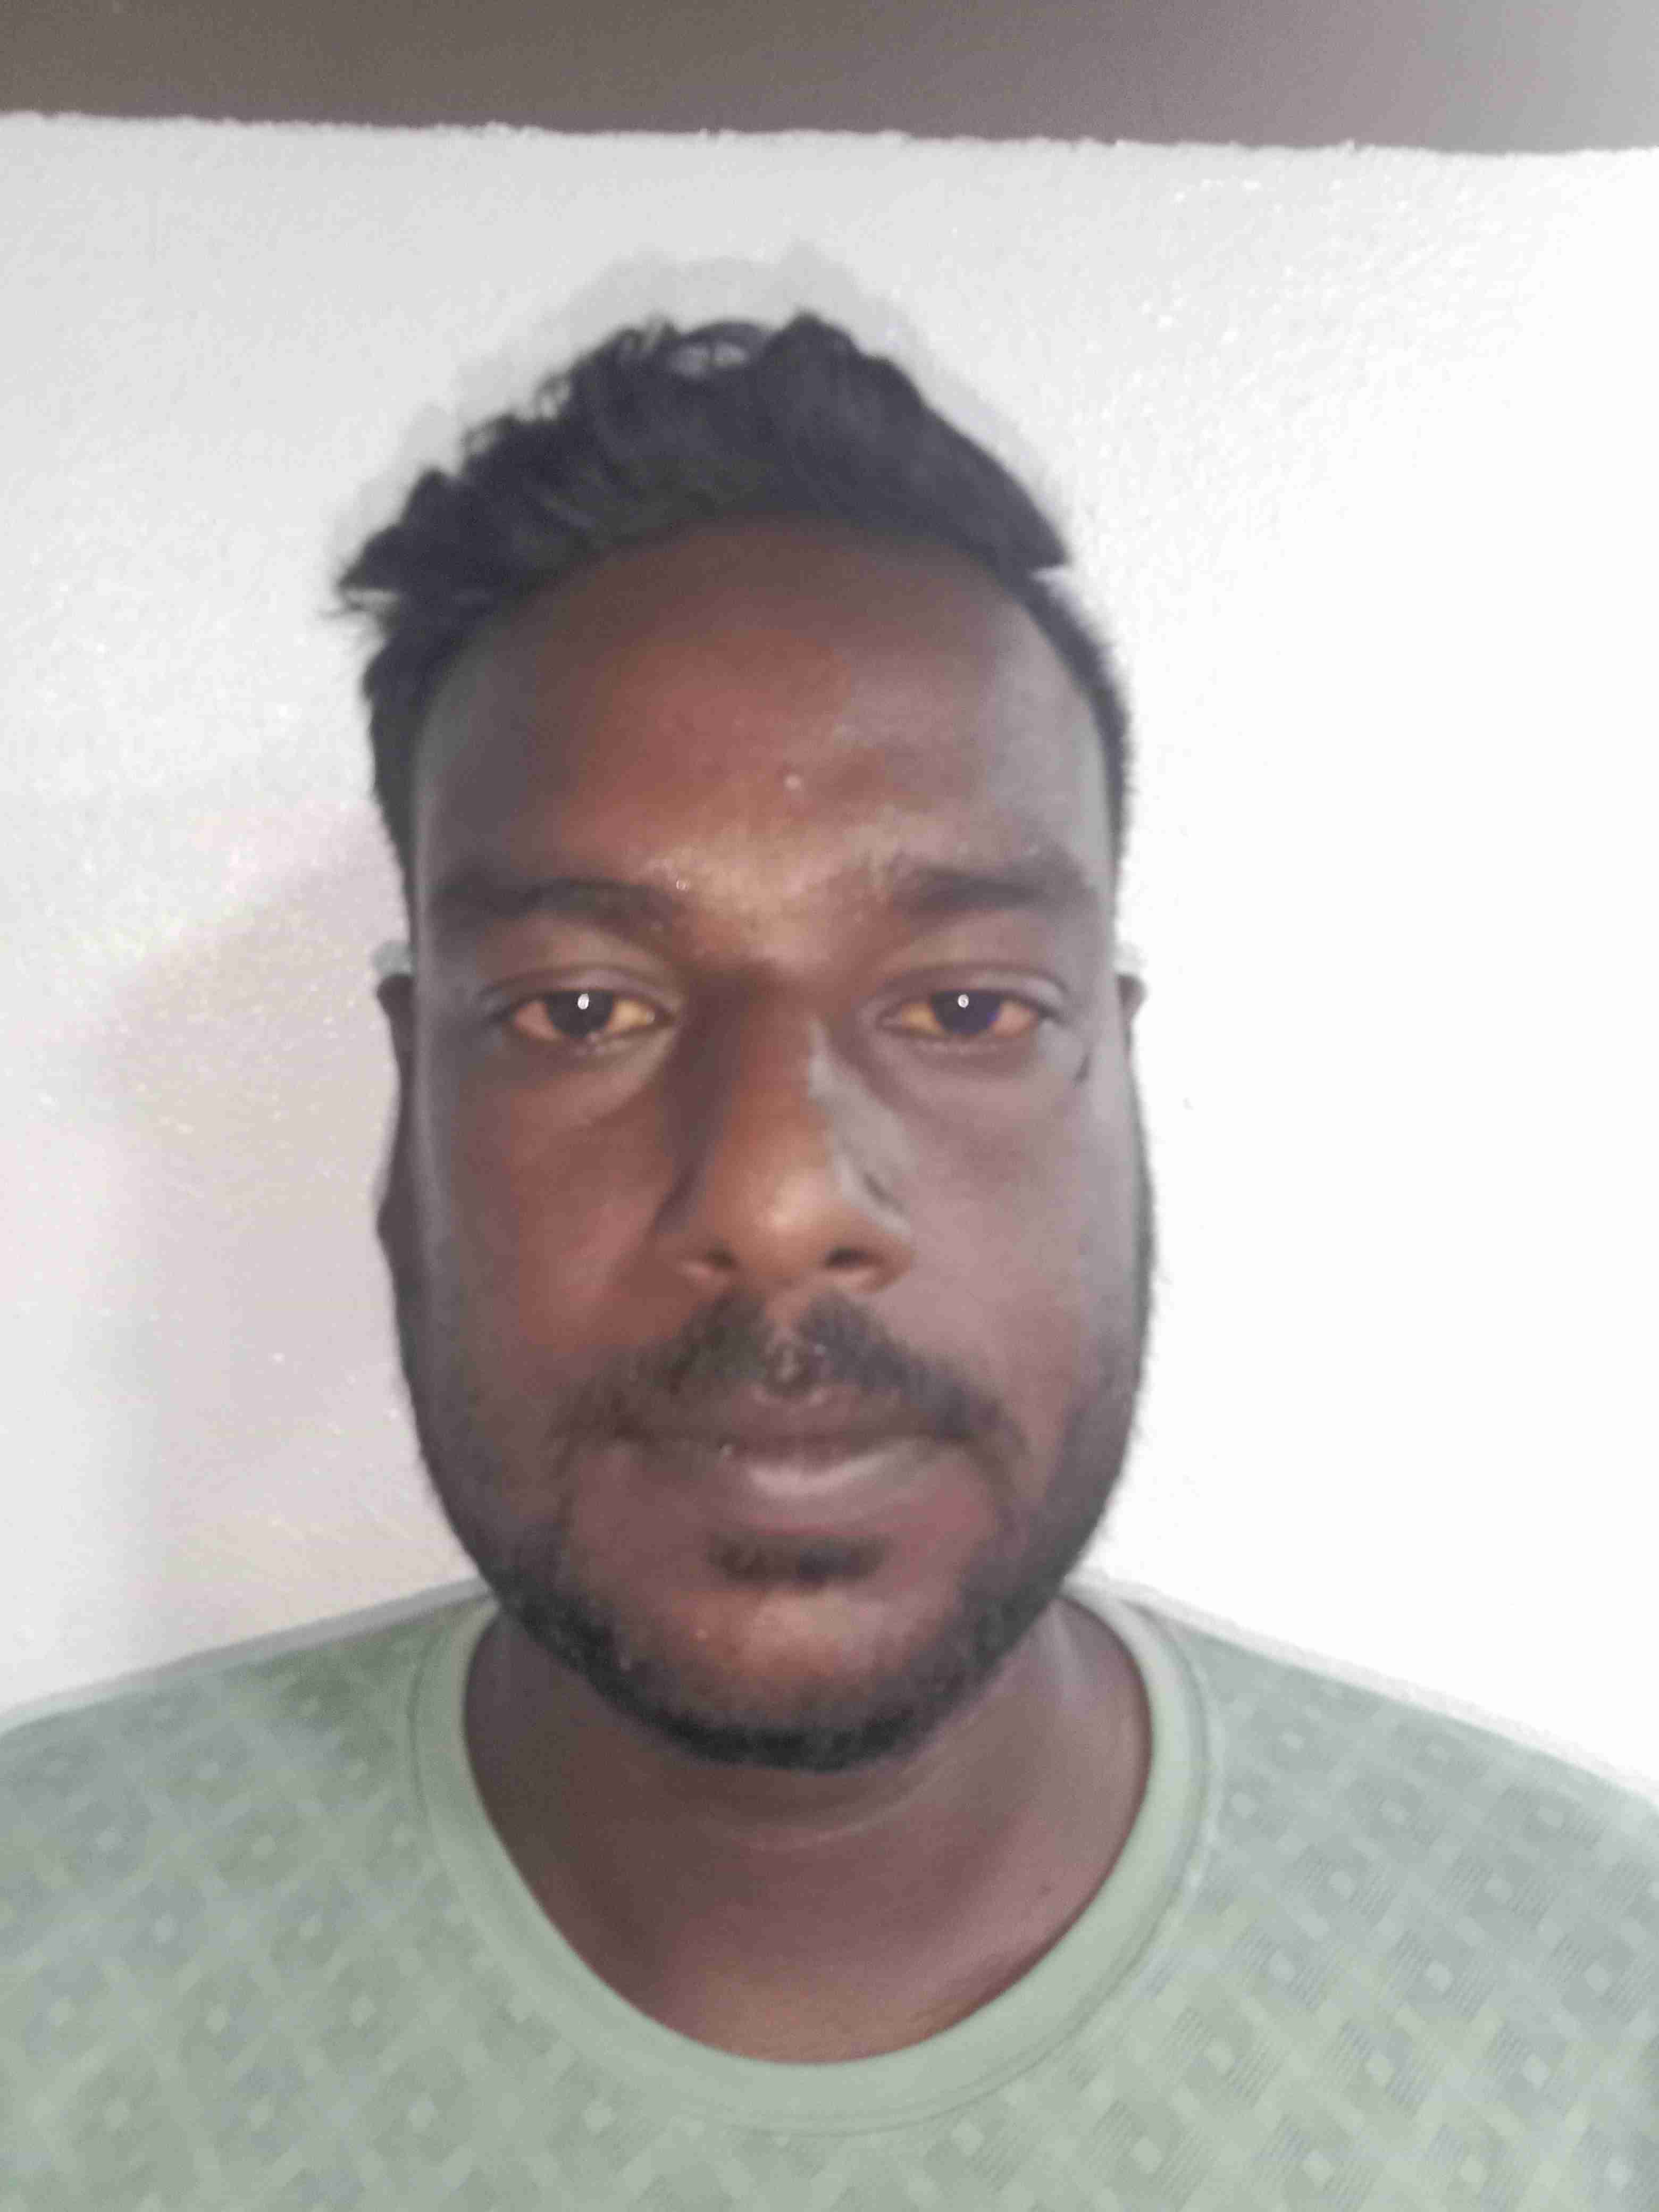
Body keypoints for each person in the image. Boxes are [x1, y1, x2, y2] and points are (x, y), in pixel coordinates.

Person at [5, 314, 1654, 2207]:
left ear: (1119, 1095)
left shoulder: (1600, 2028)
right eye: (577, 1011)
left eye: (966, 1006)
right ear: (410, 1118)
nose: (779, 1198)